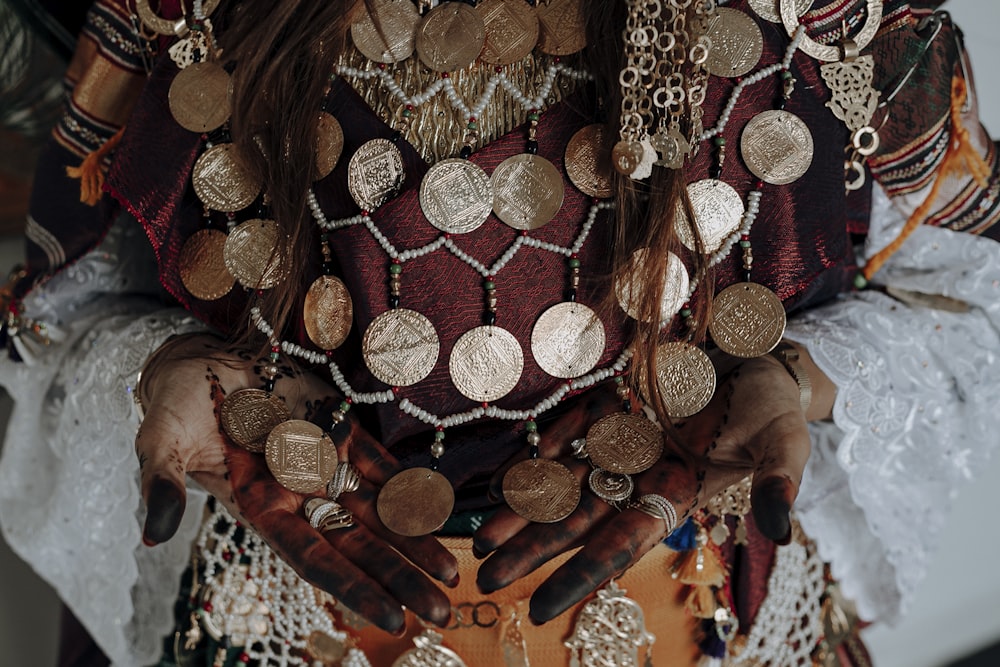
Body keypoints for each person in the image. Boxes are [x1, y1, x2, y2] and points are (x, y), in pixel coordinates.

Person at [1, 0, 998, 665]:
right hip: (289, 625)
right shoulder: (174, 17)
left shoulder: (830, 22)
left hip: (690, 620)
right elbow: (60, 309)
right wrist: (156, 375)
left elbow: (968, 292)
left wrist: (800, 374)